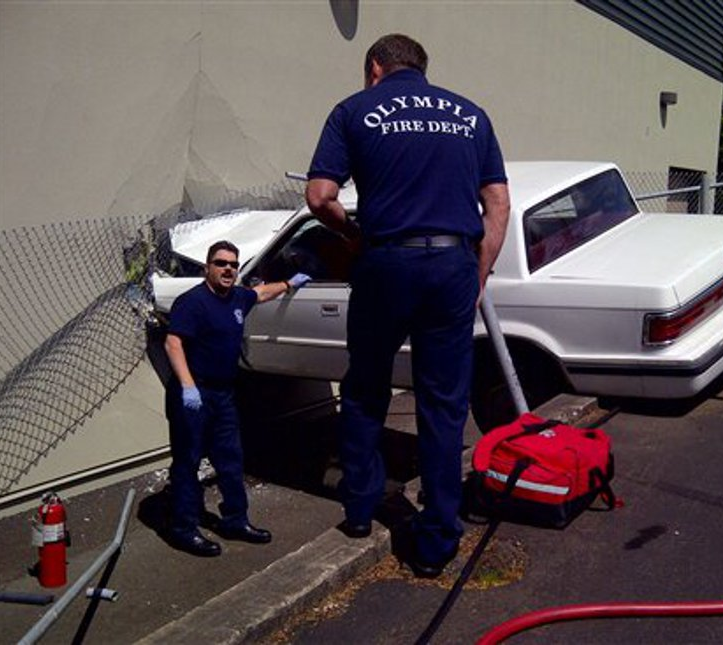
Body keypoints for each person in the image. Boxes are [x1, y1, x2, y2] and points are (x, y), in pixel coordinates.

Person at [306, 34, 510, 577]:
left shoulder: (353, 110)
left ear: (376, 68)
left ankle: (359, 508)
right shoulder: (471, 115)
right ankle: (438, 540)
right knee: (443, 402)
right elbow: (498, 204)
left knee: (366, 386)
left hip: (387, 263)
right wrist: (479, 272)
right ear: (421, 68)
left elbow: (320, 196)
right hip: (452, 266)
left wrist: (353, 235)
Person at [164, 240, 311, 557]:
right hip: (194, 392)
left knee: (231, 459)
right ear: (208, 267)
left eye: (233, 264)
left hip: (224, 394)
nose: (228, 269)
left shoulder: (237, 297)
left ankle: (235, 521)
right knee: (188, 462)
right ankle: (183, 528)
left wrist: (288, 283)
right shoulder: (193, 302)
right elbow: (173, 344)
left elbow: (260, 293)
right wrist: (188, 387)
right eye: (221, 263)